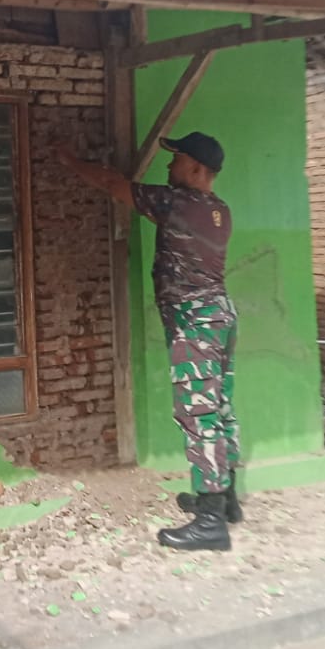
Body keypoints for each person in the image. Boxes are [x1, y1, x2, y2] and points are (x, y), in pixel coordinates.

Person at [62, 131, 239, 552]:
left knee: (198, 414)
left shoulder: (177, 203)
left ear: (196, 168)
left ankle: (210, 522)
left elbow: (114, 185)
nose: (169, 165)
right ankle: (226, 498)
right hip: (219, 316)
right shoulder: (219, 210)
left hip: (195, 324)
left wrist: (70, 163)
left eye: (176, 159)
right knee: (220, 409)